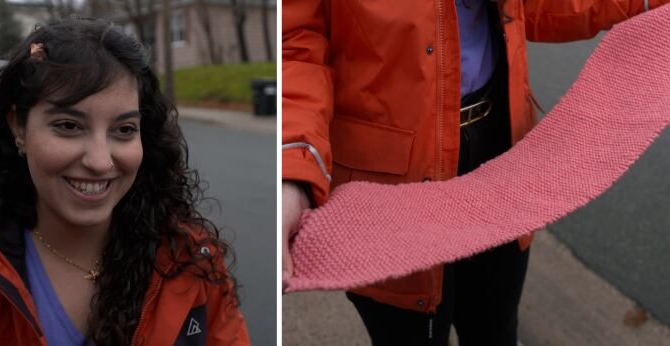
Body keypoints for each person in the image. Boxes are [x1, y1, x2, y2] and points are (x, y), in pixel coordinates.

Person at [282, 1, 668, 345]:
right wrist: (292, 170)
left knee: (496, 328)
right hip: (392, 184)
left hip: (502, 153)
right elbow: (295, 45)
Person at [0, 18, 249, 346]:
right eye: (68, 126)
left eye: (124, 130)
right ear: (19, 126)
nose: (99, 160)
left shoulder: (193, 259)